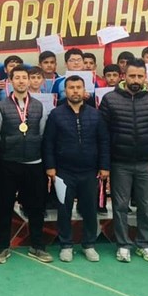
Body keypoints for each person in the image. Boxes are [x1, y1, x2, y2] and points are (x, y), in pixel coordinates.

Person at [99, 58, 148, 263]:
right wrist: (105, 164)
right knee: (120, 205)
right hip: (120, 162)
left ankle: (144, 244)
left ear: (145, 77)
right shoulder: (110, 99)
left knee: (146, 206)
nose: (135, 80)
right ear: (124, 76)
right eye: (132, 76)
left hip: (147, 162)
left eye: (139, 76)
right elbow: (103, 134)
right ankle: (123, 245)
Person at [44, 75, 110, 263]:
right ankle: (66, 245)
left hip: (89, 171)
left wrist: (104, 166)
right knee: (64, 209)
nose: (75, 91)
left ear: (84, 90)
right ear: (65, 91)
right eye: (71, 87)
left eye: (78, 87)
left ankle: (89, 244)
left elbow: (104, 141)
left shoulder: (95, 114)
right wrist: (50, 166)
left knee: (89, 209)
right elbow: (48, 142)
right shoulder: (56, 114)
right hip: (64, 171)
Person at [0, 65, 51, 264]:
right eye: (16, 78)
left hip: (34, 163)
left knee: (36, 207)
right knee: (5, 207)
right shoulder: (0, 107)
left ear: (29, 80)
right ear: (10, 81)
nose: (21, 81)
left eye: (24, 77)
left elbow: (42, 134)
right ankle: (2, 247)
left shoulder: (39, 106)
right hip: (9, 163)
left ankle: (37, 246)